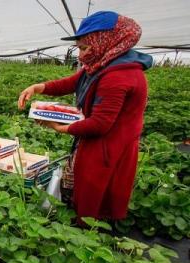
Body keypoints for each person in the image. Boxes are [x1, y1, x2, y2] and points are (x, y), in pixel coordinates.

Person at [17, 11, 152, 223]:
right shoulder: (102, 64)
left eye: (84, 48)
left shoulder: (118, 76)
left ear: (105, 41)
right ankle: (79, 220)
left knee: (95, 193)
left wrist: (59, 127)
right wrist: (39, 87)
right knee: (83, 185)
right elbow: (73, 82)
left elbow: (99, 124)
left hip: (109, 147)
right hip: (96, 142)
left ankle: (89, 235)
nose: (80, 56)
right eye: (79, 48)